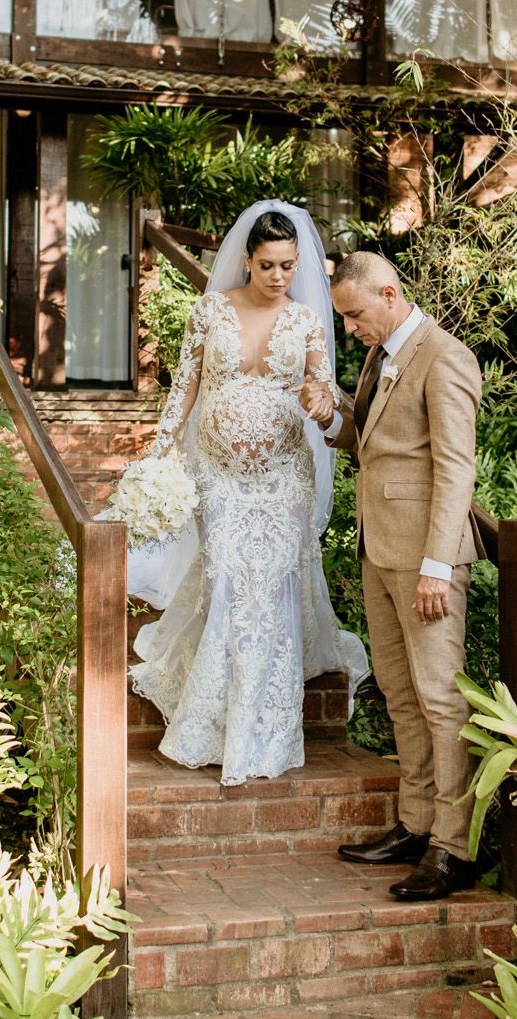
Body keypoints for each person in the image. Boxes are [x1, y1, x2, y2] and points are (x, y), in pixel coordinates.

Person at [129, 201, 367, 786]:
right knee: (230, 579)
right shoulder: (210, 310)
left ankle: (264, 731)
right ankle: (211, 721)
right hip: (218, 473)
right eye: (268, 266)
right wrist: (162, 449)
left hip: (285, 475)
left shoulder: (308, 321)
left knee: (274, 589)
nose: (280, 277)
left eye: (288, 266)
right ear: (247, 260)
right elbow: (184, 385)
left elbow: (323, 387)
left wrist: (323, 400)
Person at [300, 251, 482, 901]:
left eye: (353, 315)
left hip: (425, 562)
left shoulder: (446, 357)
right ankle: (415, 823)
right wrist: (328, 414)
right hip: (378, 550)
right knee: (400, 696)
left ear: (388, 292)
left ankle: (453, 848)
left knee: (441, 700)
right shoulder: (382, 356)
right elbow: (370, 439)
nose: (349, 329)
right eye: (345, 319)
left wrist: (437, 564)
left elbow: (455, 468)